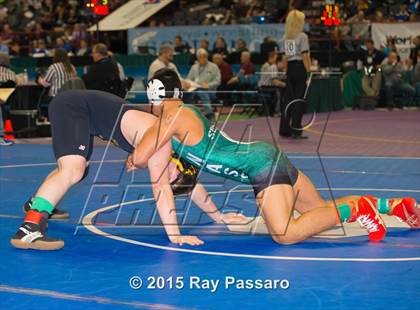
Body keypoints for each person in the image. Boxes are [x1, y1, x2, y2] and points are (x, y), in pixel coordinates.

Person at [136, 68, 419, 246]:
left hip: (262, 166)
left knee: (285, 234)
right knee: (317, 212)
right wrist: (218, 214)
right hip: (265, 157)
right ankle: (391, 205)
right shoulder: (184, 115)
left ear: (156, 96)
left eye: (150, 101)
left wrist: (136, 138)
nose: (149, 107)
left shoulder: (173, 117)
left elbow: (139, 156)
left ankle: (359, 209)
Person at [10, 89, 245, 250]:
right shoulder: (164, 147)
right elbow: (161, 188)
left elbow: (191, 187)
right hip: (74, 106)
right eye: (175, 178)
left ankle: (38, 203)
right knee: (73, 169)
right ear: (181, 166)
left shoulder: (175, 155)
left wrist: (219, 216)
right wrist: (175, 235)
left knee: (76, 169)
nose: (169, 178)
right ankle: (29, 228)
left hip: (84, 112)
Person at [279, 9, 311, 139]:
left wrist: (286, 72)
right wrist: (309, 71)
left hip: (291, 69)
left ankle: (284, 129)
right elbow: (305, 56)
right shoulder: (302, 36)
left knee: (288, 99)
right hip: (299, 68)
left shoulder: (286, 37)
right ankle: (296, 129)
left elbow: (285, 58)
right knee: (299, 99)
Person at [186, 48, 221, 121]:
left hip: (210, 91)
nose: (203, 58)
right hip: (195, 89)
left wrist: (208, 85)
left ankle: (209, 114)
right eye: (201, 57)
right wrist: (189, 84)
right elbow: (188, 79)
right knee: (188, 94)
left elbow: (218, 81)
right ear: (198, 58)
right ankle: (192, 114)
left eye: (205, 56)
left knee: (202, 92)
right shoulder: (194, 67)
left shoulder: (214, 67)